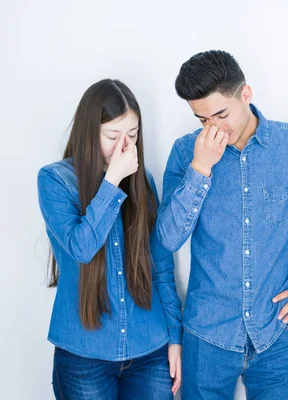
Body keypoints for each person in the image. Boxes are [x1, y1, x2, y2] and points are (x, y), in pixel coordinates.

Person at [157, 50, 288, 399]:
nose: (213, 128)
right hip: (207, 337)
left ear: (246, 95)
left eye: (221, 114)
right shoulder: (186, 153)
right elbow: (167, 239)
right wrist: (201, 169)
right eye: (202, 119)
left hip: (276, 334)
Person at [37, 79, 182, 399]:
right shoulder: (55, 180)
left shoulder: (143, 181)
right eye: (113, 136)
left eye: (132, 135)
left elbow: (160, 265)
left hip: (151, 349)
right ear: (90, 132)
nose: (125, 146)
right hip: (83, 355)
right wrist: (113, 179)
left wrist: (175, 337)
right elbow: (82, 248)